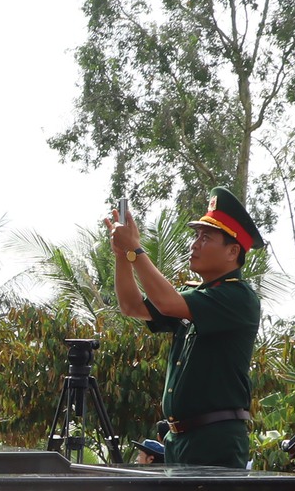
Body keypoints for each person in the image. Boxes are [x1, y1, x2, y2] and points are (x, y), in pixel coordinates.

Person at [110, 189, 262, 469]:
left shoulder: (239, 297)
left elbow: (166, 303)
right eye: (196, 236)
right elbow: (131, 306)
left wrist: (136, 251)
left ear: (232, 251)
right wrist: (123, 256)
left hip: (215, 440)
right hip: (180, 440)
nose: (195, 244)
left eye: (206, 238)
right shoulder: (197, 296)